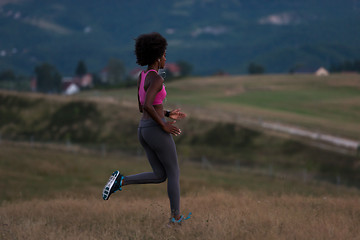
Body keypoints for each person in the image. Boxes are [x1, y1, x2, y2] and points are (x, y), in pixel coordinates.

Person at [102, 32, 190, 224]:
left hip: (144, 129)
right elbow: (148, 106)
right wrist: (164, 125)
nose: (166, 58)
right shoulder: (158, 79)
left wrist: (166, 113)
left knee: (160, 175)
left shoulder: (142, 77)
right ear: (158, 56)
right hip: (155, 129)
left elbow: (143, 106)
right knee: (174, 173)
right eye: (165, 54)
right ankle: (176, 219)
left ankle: (120, 181)